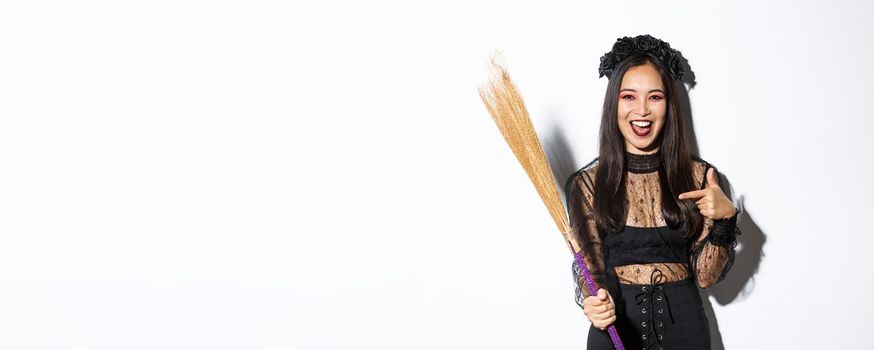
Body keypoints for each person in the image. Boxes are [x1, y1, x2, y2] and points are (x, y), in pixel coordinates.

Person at [565, 34, 741, 350]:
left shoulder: (701, 177)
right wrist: (593, 302)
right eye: (629, 97)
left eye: (655, 97)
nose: (642, 111)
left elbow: (706, 278)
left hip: (687, 333)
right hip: (615, 335)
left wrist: (726, 221)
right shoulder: (587, 185)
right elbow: (588, 272)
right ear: (613, 104)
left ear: (668, 104)